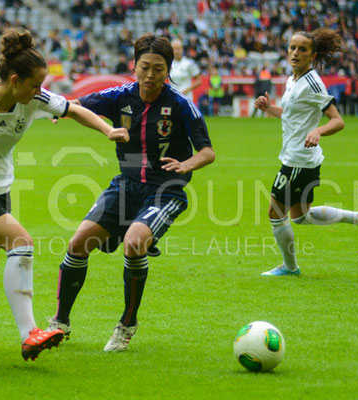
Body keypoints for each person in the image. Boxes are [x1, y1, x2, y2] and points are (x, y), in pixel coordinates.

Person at [0, 27, 129, 360]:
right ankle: (29, 332)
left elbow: (74, 110)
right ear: (15, 80)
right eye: (36, 84)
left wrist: (108, 130)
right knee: (21, 242)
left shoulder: (33, 100)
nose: (41, 90)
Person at [46, 33, 215, 352]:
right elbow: (78, 106)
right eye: (144, 67)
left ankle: (126, 324)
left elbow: (207, 152)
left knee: (135, 242)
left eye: (158, 69)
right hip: (124, 186)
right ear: (134, 66)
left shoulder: (181, 105)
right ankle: (60, 323)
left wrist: (185, 165)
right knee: (78, 242)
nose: (150, 75)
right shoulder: (120, 96)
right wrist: (62, 109)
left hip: (165, 190)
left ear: (168, 71)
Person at [253, 28, 358, 277]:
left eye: (302, 49)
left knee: (274, 212)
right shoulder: (293, 79)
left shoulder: (313, 82)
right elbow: (292, 116)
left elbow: (337, 121)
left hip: (298, 160)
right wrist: (270, 108)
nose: (295, 53)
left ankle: (290, 268)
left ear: (312, 55)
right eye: (292, 47)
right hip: (301, 157)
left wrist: (319, 132)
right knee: (301, 217)